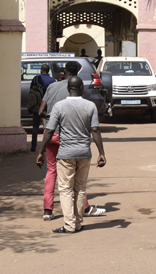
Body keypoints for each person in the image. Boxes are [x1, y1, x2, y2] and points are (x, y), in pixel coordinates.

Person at [36, 76, 106, 233]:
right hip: (84, 153)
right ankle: (78, 222)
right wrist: (101, 153)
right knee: (80, 188)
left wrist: (41, 152)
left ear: (68, 88)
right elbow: (95, 130)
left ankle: (69, 225)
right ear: (81, 88)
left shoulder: (59, 107)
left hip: (66, 154)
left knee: (66, 189)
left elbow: (49, 131)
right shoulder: (90, 106)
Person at [28, 64, 56, 152]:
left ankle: (33, 146)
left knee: (35, 125)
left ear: (41, 70)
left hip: (37, 105)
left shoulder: (35, 79)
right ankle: (45, 146)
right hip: (47, 105)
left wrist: (30, 106)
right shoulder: (52, 80)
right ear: (48, 71)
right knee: (46, 126)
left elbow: (31, 92)